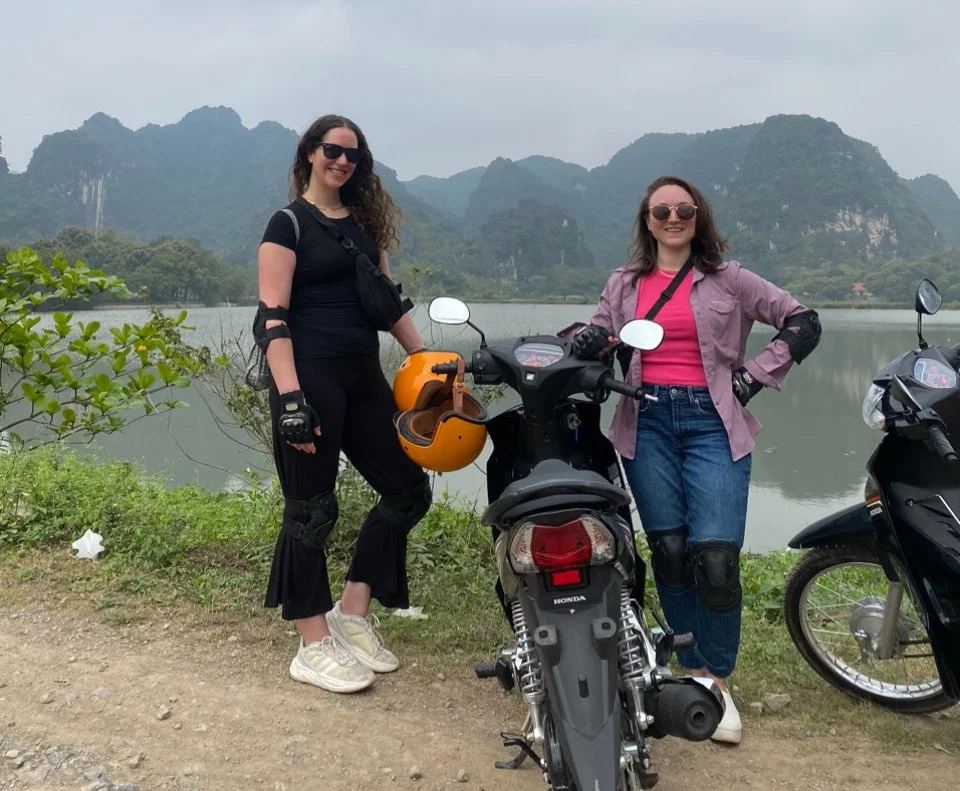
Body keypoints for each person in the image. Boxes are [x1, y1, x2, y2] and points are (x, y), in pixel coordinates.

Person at [570, 175, 821, 743]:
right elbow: (601, 334)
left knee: (716, 558)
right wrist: (587, 341)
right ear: (647, 219)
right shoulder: (624, 282)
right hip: (646, 420)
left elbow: (803, 322)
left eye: (684, 209)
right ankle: (690, 673)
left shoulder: (730, 279)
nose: (673, 217)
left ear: (698, 216)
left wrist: (754, 378)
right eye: (662, 210)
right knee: (673, 551)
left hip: (713, 422)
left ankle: (717, 682)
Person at [255, 114, 432, 694]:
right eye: (332, 150)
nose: (342, 161)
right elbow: (272, 319)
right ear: (310, 153)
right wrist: (289, 400)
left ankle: (350, 611)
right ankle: (310, 645)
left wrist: (430, 367)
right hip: (309, 379)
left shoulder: (361, 227)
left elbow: (389, 305)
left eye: (353, 155)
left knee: (408, 490)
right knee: (311, 510)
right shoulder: (287, 226)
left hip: (363, 379)